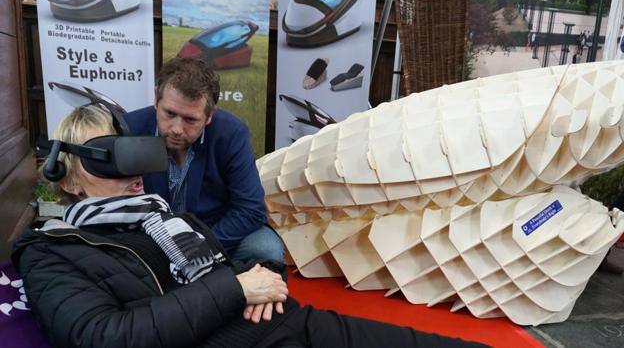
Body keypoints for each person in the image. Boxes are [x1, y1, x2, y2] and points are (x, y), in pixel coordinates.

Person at [12, 106, 487, 348]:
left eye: (129, 153)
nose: (131, 172)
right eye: (106, 161)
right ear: (67, 176)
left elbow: (226, 249)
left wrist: (257, 276)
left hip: (281, 320)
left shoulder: (160, 214)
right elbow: (104, 337)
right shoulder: (51, 250)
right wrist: (238, 290)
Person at [124, 58, 284, 263]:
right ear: (156, 98)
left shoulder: (231, 133)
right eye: (169, 113)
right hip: (151, 236)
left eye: (190, 119)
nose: (176, 129)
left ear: (209, 115)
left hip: (214, 231)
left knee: (266, 249)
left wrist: (199, 248)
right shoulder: (131, 129)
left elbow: (250, 210)